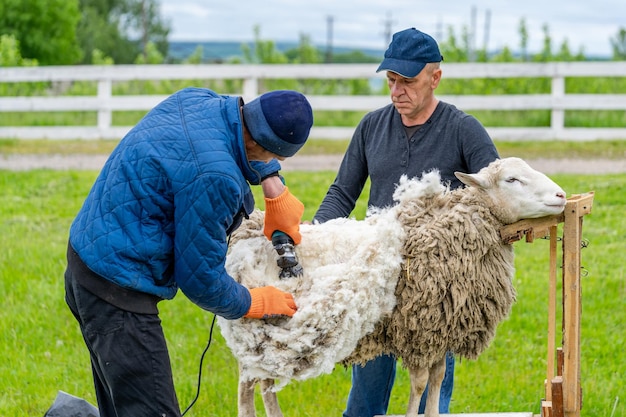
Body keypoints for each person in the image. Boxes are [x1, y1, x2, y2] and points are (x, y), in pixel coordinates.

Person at [64, 87, 313, 417]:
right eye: (275, 159)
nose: (274, 165)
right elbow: (200, 280)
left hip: (88, 257)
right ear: (262, 146)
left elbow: (241, 138)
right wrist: (254, 301)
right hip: (117, 290)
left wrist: (272, 183)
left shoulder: (197, 100)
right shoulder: (217, 178)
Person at [313, 28, 500, 417]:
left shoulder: (463, 129)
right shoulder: (371, 126)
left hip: (436, 286)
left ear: (435, 78)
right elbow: (343, 193)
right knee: (365, 388)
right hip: (377, 273)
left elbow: (494, 190)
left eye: (408, 82)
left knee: (433, 391)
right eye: (391, 81)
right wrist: (312, 237)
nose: (397, 91)